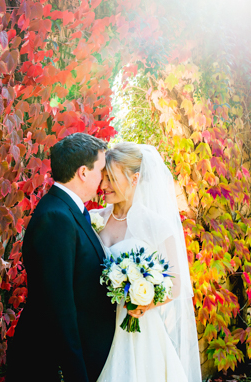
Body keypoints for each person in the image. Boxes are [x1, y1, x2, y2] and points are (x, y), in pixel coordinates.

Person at [6, 132, 116, 382]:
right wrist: (76, 374)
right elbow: (59, 308)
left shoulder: (68, 211)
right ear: (83, 172)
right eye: (100, 169)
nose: (102, 178)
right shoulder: (55, 218)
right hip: (48, 364)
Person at [93, 142, 201, 382]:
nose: (103, 186)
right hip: (97, 329)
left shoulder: (157, 226)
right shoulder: (93, 220)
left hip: (138, 331)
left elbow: (176, 285)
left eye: (110, 178)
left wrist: (144, 302)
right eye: (102, 178)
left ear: (135, 178)